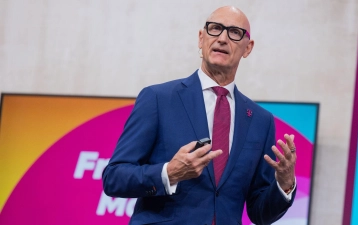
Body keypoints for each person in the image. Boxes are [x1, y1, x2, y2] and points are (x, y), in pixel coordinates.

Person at [102, 5, 297, 225]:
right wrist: (169, 173)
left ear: (248, 48)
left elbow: (260, 213)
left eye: (234, 33)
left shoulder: (261, 121)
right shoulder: (158, 99)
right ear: (201, 38)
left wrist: (284, 183)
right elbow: (114, 178)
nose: (222, 38)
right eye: (215, 29)